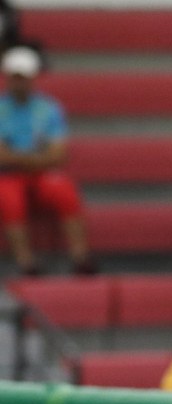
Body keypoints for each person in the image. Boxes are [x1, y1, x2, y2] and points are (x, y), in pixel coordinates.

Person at [0, 46, 96, 276]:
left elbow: (59, 154)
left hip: (39, 173)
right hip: (10, 175)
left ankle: (80, 257)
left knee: (65, 191)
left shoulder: (49, 108)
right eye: (15, 77)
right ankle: (27, 263)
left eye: (23, 77)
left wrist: (17, 157)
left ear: (33, 78)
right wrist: (37, 157)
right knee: (9, 199)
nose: (19, 83)